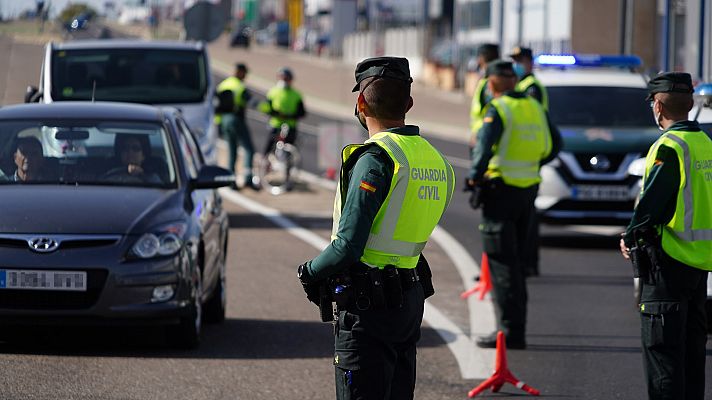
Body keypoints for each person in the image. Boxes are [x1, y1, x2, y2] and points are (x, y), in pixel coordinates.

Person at [296, 57, 455, 399]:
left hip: (368, 306)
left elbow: (349, 245)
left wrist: (309, 273)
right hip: (409, 299)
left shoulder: (376, 158)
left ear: (361, 103)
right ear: (409, 104)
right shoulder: (436, 161)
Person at [619, 72, 710, 400]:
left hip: (668, 264)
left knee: (664, 359)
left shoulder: (669, 147)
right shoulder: (706, 144)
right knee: (691, 358)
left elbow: (652, 203)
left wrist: (630, 237)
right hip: (700, 265)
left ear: (658, 106)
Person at [466, 60, 561, 349]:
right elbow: (555, 145)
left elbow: (482, 149)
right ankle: (516, 328)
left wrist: (474, 177)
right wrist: (532, 165)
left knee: (503, 265)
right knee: (517, 264)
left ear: (492, 83)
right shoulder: (534, 107)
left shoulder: (499, 109)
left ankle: (511, 332)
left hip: (501, 192)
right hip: (528, 192)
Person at [509, 46, 549, 278]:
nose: (517, 64)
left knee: (528, 219)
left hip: (528, 159)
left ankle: (528, 263)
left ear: (529, 62)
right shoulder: (522, 85)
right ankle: (525, 262)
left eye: (520, 60)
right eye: (514, 60)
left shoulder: (531, 88)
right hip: (523, 159)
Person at [216, 63, 257, 190]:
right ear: (240, 72)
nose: (245, 76)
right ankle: (248, 179)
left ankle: (231, 180)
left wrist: (218, 124)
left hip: (224, 120)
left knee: (232, 151)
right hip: (236, 119)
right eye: (245, 73)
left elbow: (216, 106)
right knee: (249, 149)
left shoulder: (223, 84)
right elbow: (251, 102)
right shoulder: (240, 86)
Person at [258, 67, 306, 157]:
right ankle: (264, 161)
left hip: (290, 126)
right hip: (276, 124)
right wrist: (275, 113)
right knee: (269, 145)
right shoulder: (273, 91)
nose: (284, 80)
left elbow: (302, 112)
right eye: (282, 78)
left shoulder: (296, 95)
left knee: (290, 149)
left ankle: (287, 167)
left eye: (286, 78)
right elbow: (266, 108)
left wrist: (290, 116)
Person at [469, 43, 500, 152]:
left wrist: (480, 136)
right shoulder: (488, 80)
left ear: (482, 58)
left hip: (484, 137)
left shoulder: (490, 83)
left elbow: (491, 112)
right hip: (483, 136)